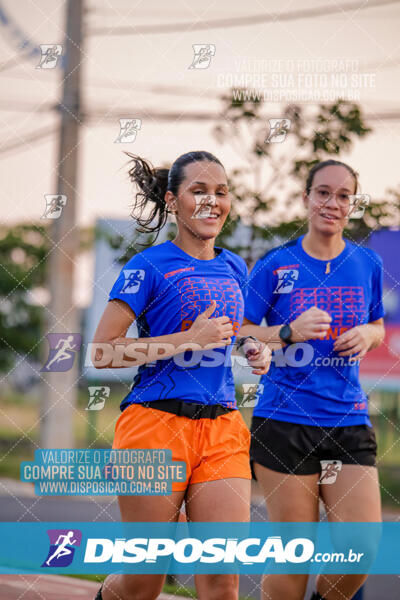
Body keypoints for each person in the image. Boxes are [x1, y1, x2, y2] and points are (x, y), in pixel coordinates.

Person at [91, 150, 271, 600]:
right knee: (143, 581)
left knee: (222, 580)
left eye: (221, 192)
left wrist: (251, 347)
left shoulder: (234, 266)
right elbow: (102, 351)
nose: (212, 201)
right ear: (172, 200)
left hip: (222, 427)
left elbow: (230, 331)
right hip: (153, 426)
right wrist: (188, 338)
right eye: (199, 191)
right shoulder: (147, 267)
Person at [239, 159, 385, 600]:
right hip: (284, 422)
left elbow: (378, 324)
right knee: (293, 559)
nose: (333, 203)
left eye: (343, 196)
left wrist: (369, 333)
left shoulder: (368, 263)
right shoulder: (275, 265)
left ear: (352, 205)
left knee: (358, 552)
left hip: (347, 421)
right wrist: (283, 334)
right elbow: (241, 331)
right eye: (323, 193)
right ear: (306, 199)